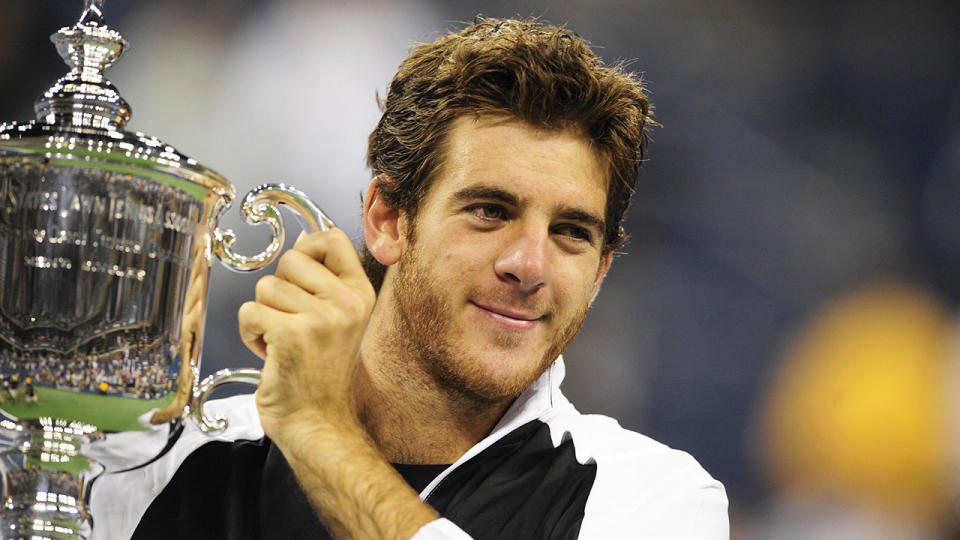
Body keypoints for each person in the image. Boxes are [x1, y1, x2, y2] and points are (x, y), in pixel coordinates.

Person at [92, 17, 727, 539]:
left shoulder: (651, 498)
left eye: (571, 232)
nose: (529, 265)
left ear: (599, 274)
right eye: (490, 211)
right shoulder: (161, 464)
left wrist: (319, 431)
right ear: (388, 220)